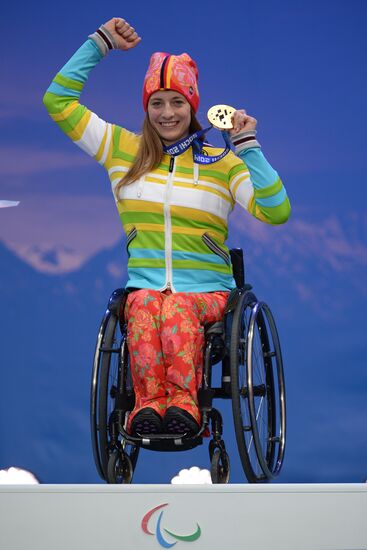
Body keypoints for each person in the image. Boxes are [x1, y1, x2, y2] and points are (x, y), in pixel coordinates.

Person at [43, 17, 290, 437]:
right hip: (146, 288)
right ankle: (148, 407)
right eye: (156, 103)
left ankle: (183, 406)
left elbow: (276, 211)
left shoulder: (221, 164)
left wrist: (248, 148)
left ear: (192, 105)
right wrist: (99, 44)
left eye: (176, 101)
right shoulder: (121, 150)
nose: (166, 113)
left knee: (172, 305)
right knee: (142, 306)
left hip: (208, 294)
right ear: (146, 108)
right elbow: (58, 101)